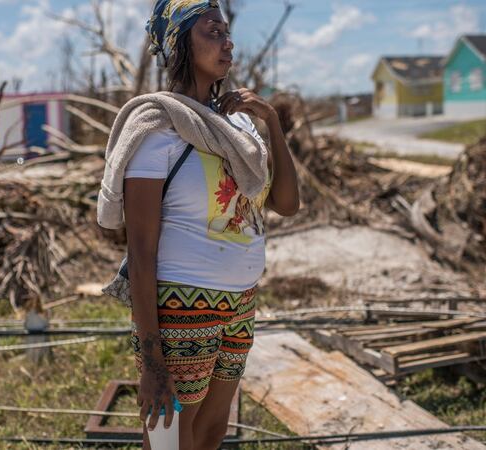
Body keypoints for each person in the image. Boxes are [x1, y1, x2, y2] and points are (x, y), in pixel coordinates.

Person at [119, 1, 299, 448]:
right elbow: (140, 252)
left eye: (227, 31)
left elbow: (286, 204)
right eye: (213, 31)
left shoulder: (238, 127)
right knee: (169, 440)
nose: (228, 41)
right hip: (182, 304)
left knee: (211, 433)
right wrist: (153, 362)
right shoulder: (156, 130)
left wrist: (272, 122)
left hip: (240, 300)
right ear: (181, 42)